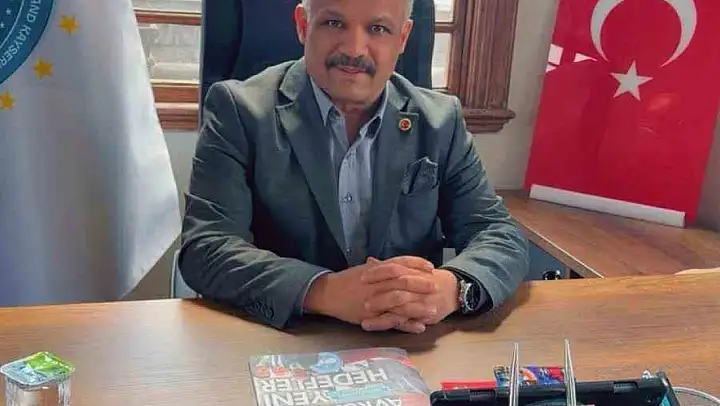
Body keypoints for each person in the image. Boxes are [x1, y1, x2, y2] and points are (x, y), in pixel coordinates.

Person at [179, 0, 529, 333]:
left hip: (407, 341)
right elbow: (207, 248)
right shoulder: (239, 112)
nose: (355, 49)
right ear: (303, 25)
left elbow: (498, 233)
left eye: (378, 28)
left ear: (403, 37)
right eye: (334, 23)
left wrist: (452, 288)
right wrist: (323, 291)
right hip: (284, 338)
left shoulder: (440, 121)